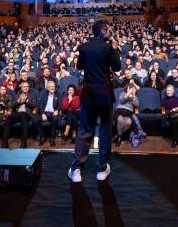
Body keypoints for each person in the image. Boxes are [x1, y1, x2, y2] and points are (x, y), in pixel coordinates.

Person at [69, 18, 121, 183]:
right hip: (105, 94)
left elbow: (80, 66)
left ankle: (76, 169)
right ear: (103, 30)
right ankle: (101, 169)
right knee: (105, 131)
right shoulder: (108, 47)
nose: (111, 32)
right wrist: (114, 49)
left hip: (89, 94)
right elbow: (117, 67)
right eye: (109, 29)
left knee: (85, 130)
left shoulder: (84, 47)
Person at [11, 81, 37, 148]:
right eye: (24, 87)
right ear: (21, 88)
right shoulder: (17, 95)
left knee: (23, 117)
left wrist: (26, 101)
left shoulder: (31, 96)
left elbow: (34, 105)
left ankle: (23, 143)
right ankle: (4, 142)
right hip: (17, 113)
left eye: (27, 87)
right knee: (8, 118)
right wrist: (19, 101)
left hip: (27, 114)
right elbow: (12, 105)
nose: (26, 88)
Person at [113, 83, 139, 147]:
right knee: (120, 119)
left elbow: (136, 105)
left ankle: (117, 136)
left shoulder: (135, 97)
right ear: (127, 89)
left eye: (133, 89)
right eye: (130, 89)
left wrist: (133, 96)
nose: (132, 90)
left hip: (128, 112)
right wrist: (127, 94)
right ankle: (119, 138)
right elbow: (121, 101)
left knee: (129, 122)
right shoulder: (123, 94)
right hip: (120, 110)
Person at [35, 80, 60, 146]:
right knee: (36, 120)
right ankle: (42, 136)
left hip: (52, 113)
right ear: (47, 88)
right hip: (44, 112)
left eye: (54, 86)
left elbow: (60, 105)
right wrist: (42, 114)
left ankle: (52, 137)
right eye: (51, 86)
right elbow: (39, 105)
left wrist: (57, 110)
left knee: (55, 119)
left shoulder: (57, 93)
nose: (53, 88)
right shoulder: (43, 93)